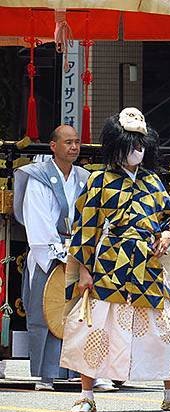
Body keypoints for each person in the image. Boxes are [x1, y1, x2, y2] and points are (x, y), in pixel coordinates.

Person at [60, 108, 170, 412]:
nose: (138, 149)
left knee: (163, 326)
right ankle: (86, 393)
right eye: (132, 142)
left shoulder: (153, 181)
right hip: (109, 261)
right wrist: (84, 270)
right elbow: (85, 228)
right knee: (97, 327)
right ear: (117, 144)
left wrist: (166, 235)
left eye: (141, 143)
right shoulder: (99, 180)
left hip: (147, 261)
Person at [13, 125, 113, 392]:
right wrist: (60, 254)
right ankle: (46, 374)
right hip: (51, 252)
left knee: (89, 313)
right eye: (68, 142)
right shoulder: (38, 177)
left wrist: (86, 249)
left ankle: (92, 371)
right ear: (53, 146)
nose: (74, 147)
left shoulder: (85, 178)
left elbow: (96, 216)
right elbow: (38, 221)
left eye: (77, 142)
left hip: (81, 251)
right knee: (50, 312)